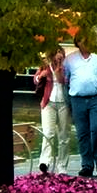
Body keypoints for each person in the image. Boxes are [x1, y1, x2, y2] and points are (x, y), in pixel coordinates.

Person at [64, 32, 97, 177]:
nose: (86, 43)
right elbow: (66, 79)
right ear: (78, 42)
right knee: (82, 133)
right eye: (83, 40)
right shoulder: (70, 60)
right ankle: (87, 164)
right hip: (78, 99)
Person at [33, 46, 71, 175]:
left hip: (64, 103)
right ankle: (44, 162)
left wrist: (59, 68)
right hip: (49, 102)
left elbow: (63, 81)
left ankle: (62, 166)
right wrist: (41, 76)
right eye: (56, 53)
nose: (59, 55)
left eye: (61, 53)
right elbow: (35, 79)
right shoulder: (45, 66)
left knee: (64, 136)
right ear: (51, 55)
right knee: (48, 133)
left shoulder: (66, 67)